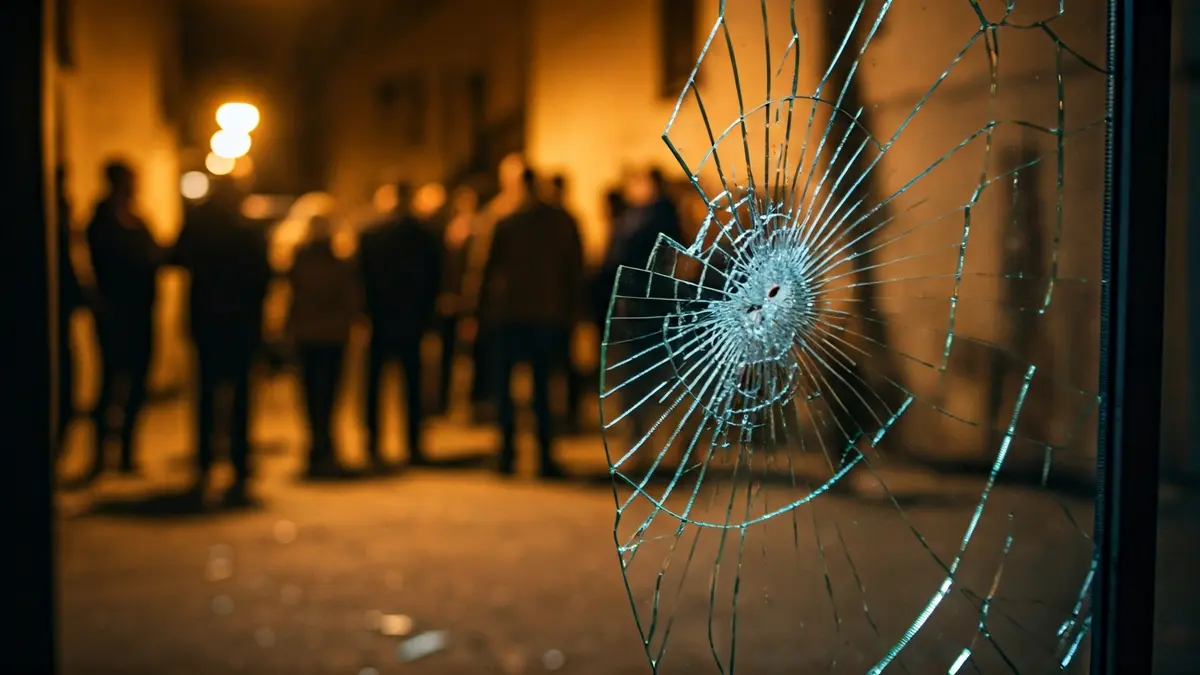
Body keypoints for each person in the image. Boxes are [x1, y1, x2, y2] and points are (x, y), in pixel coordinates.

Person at [173, 176, 272, 504]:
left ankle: (205, 463)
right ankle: (239, 463)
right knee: (240, 397)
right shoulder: (247, 230)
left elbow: (176, 257)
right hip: (240, 325)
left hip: (207, 323)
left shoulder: (200, 228)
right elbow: (263, 276)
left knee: (206, 395)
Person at [480, 167, 584, 478]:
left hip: (510, 315)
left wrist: (479, 313)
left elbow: (485, 269)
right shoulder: (559, 221)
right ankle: (544, 456)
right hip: (545, 315)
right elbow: (574, 269)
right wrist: (572, 311)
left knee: (506, 389)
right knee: (542, 388)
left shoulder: (502, 219)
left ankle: (507, 454)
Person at [79, 160, 165, 484]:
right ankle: (101, 454)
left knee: (137, 383)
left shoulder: (136, 219)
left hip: (140, 312)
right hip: (116, 313)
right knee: (110, 382)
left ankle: (127, 451)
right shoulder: (103, 220)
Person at [358, 183, 442, 469]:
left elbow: (361, 278)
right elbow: (435, 278)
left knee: (375, 385)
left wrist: (365, 312)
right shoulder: (424, 236)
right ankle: (414, 444)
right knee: (413, 385)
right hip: (412, 319)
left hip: (380, 319)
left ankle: (372, 444)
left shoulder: (372, 234)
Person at [288, 214, 361, 478]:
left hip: (307, 335)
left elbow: (292, 298)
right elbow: (350, 298)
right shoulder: (340, 263)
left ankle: (316, 445)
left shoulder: (298, 261)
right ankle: (326, 445)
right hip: (333, 336)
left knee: (309, 395)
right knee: (330, 393)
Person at [434, 185, 479, 416]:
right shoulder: (454, 230)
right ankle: (447, 399)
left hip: (466, 302)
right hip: (457, 300)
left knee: (465, 353)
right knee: (451, 352)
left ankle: (464, 400)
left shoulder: (474, 230)